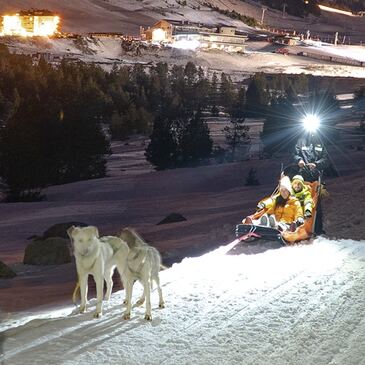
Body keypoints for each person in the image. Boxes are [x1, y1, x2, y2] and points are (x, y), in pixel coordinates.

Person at [293, 132, 328, 234]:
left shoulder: (320, 143)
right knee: (300, 201)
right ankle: (300, 227)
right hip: (303, 177)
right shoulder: (301, 141)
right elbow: (295, 154)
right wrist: (299, 160)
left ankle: (317, 229)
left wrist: (316, 164)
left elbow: (326, 159)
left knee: (317, 204)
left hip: (317, 177)